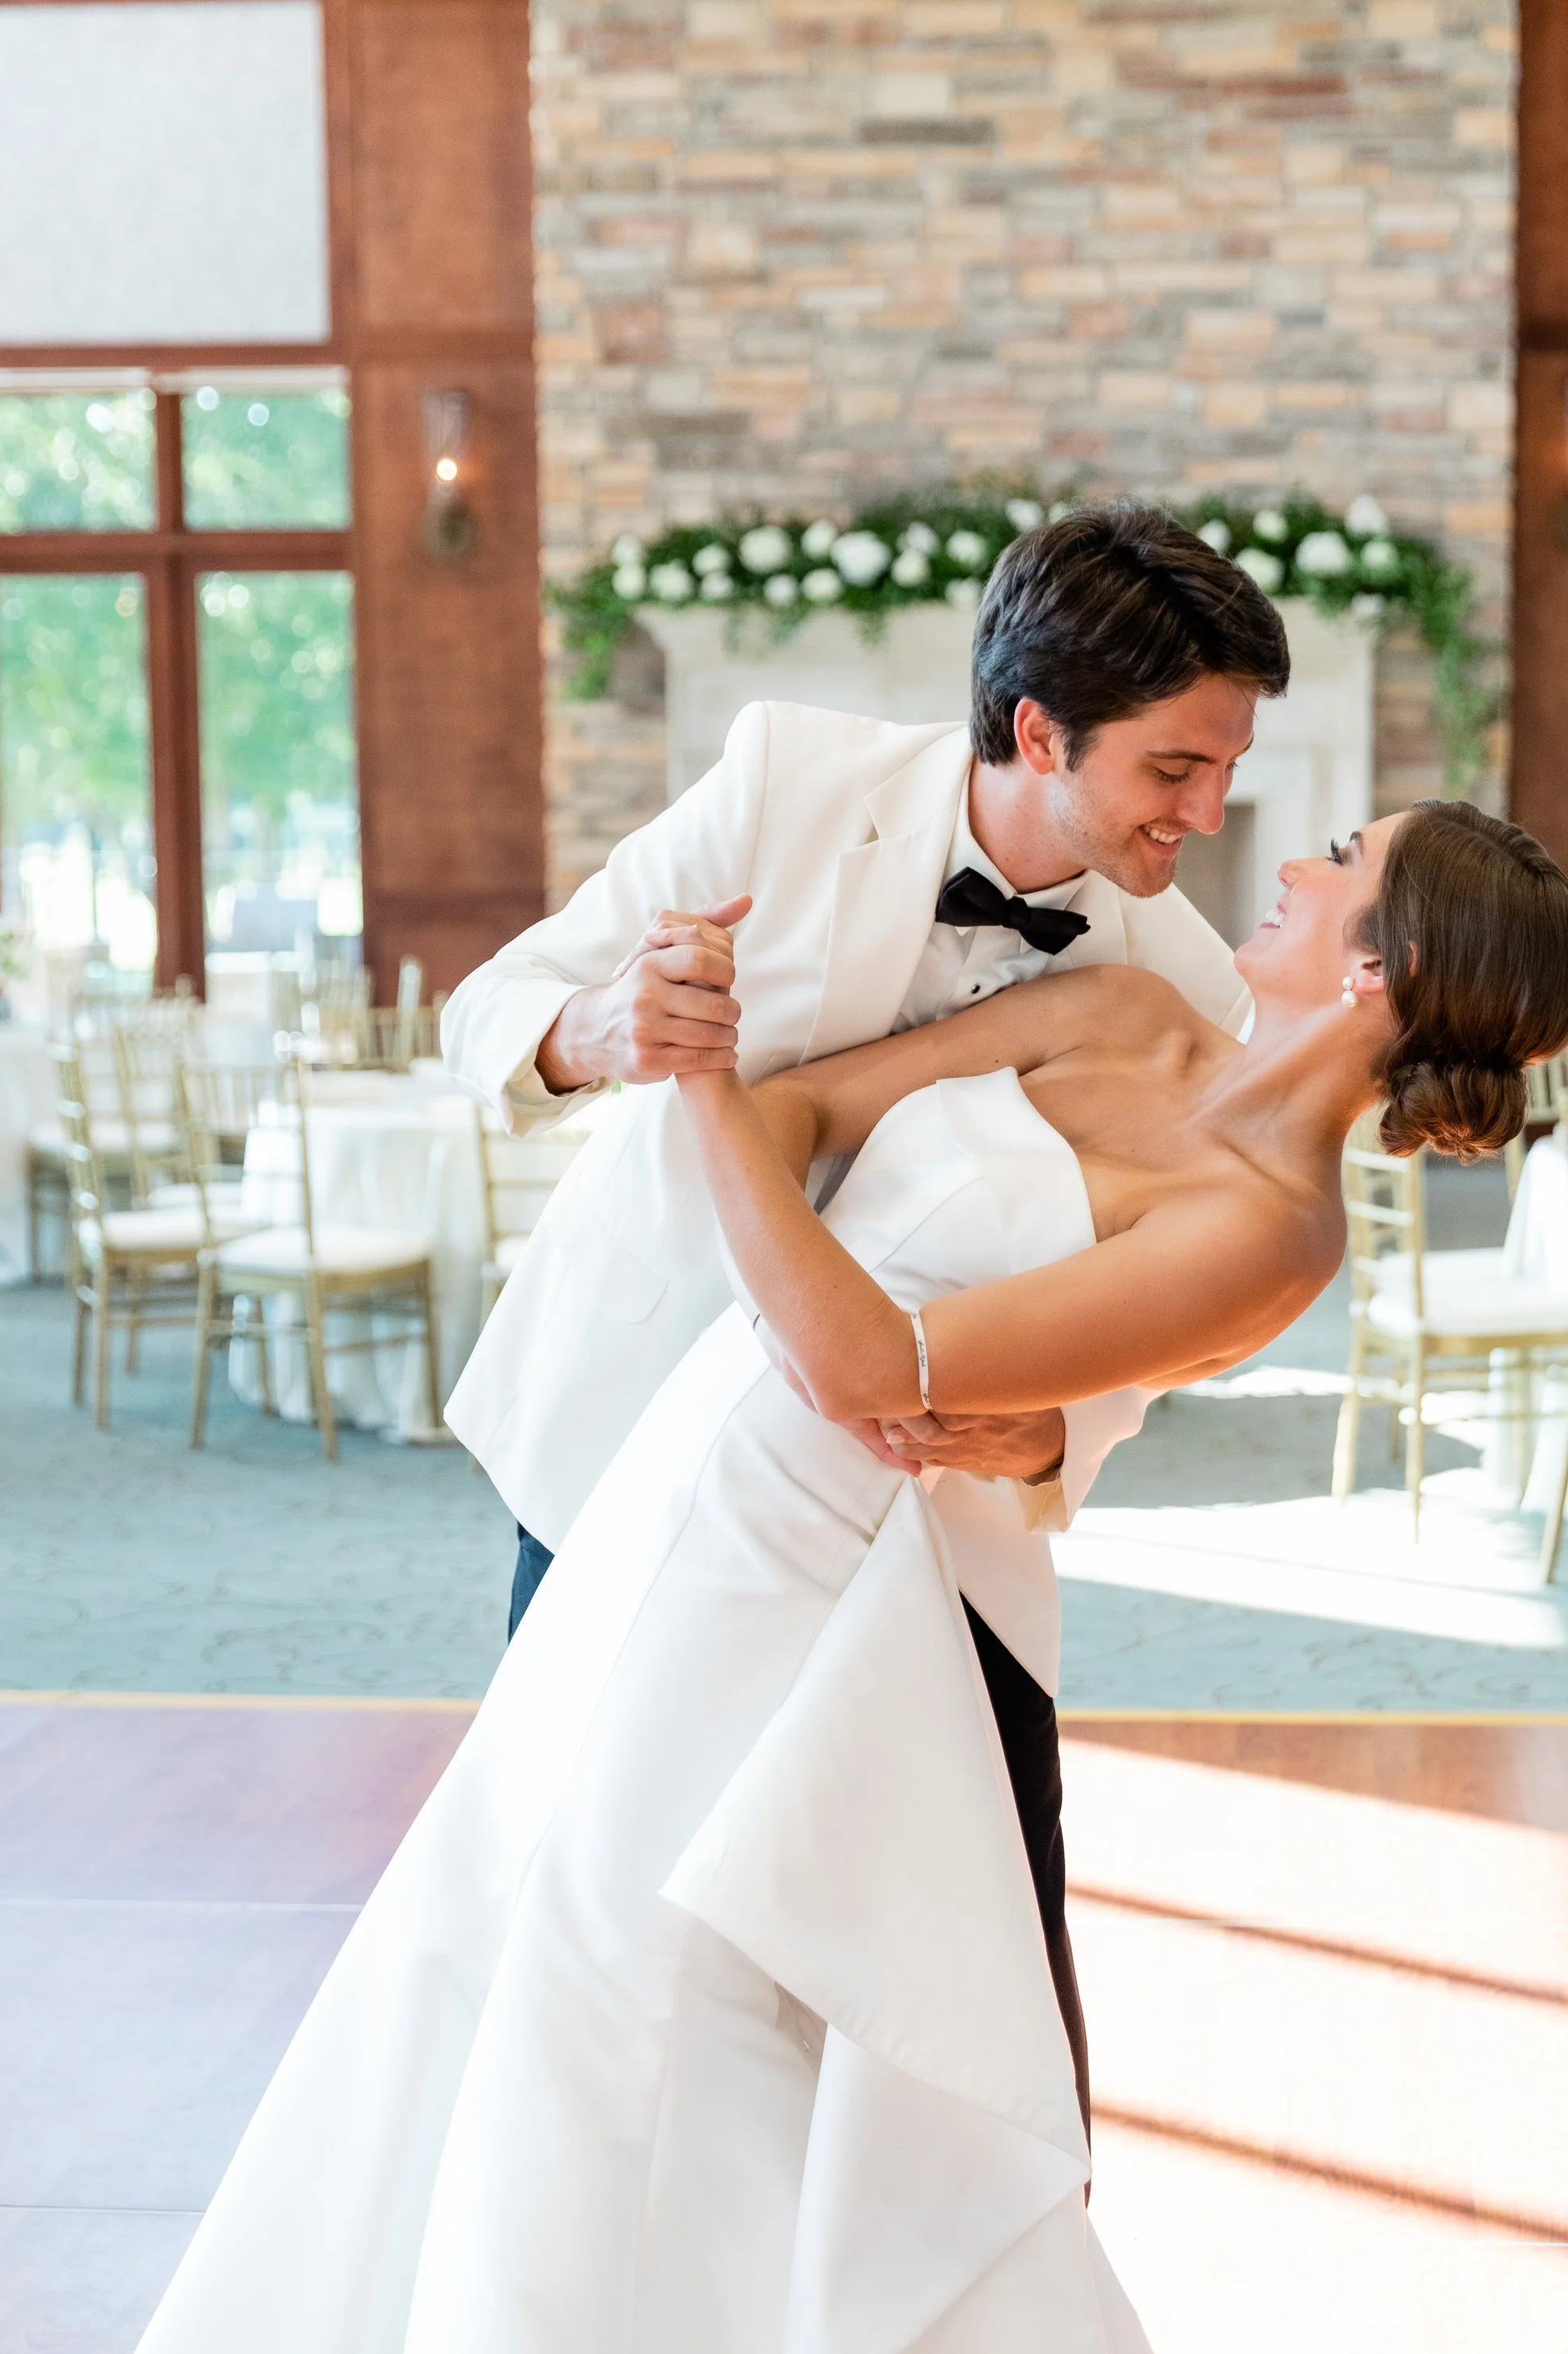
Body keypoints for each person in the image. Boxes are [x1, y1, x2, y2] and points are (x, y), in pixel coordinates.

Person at [40, 798, 1568, 2354]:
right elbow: (802, 1135)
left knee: (632, 2019)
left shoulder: (1272, 1219)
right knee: (495, 1940)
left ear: (1381, 965)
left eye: (1334, 853)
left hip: (843, 1578)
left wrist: (759, 1177)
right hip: (691, 1496)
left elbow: (865, 1344)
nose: (1283, 851)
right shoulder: (1115, 998)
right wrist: (737, 1126)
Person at [442, 501, 1289, 2129]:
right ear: (1037, 730)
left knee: (926, 1910)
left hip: (910, 1478)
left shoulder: (1179, 982)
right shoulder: (785, 782)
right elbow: (496, 1006)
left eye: (1227, 768)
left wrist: (1056, 1426)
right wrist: (601, 1027)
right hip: (639, 1418)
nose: (1206, 810)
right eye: (1173, 769)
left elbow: (1167, 1293)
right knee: (563, 1859)